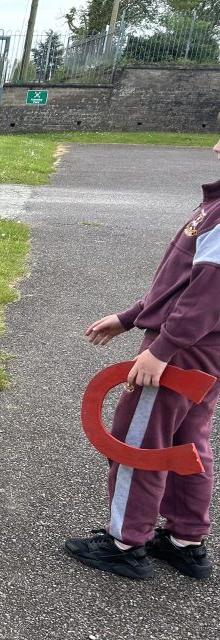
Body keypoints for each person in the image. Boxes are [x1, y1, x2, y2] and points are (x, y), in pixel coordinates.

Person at [65, 138, 220, 581]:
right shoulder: (216, 204)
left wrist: (162, 349)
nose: (214, 147)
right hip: (202, 348)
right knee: (188, 441)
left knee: (139, 443)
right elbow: (180, 282)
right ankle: (185, 540)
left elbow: (207, 293)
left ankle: (123, 543)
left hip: (185, 349)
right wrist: (131, 317)